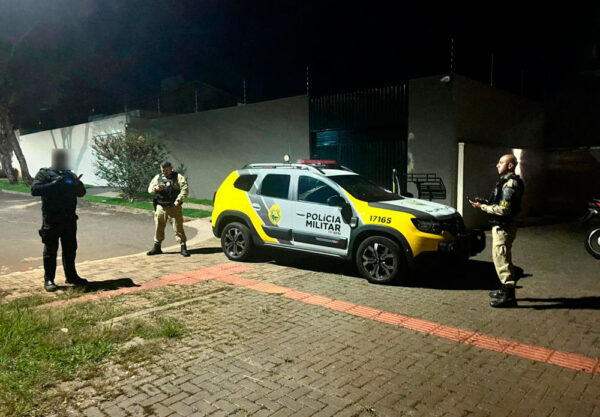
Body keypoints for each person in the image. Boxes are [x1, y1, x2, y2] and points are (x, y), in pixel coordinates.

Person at [470, 154, 524, 308]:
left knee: (502, 260)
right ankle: (503, 290)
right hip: (502, 227)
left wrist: (483, 207)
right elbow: (501, 203)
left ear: (510, 165)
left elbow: (504, 209)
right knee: (501, 258)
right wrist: (486, 202)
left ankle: (509, 297)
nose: (497, 165)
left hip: (504, 227)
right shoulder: (505, 182)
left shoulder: (510, 184)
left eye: (501, 162)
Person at [31, 149, 88, 292]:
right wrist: (54, 184)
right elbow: (34, 190)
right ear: (54, 159)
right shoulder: (44, 174)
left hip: (69, 219)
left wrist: (77, 184)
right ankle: (49, 279)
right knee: (50, 250)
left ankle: (71, 276)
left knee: (70, 249)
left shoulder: (70, 175)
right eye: (60, 158)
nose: (62, 161)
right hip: (52, 219)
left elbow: (82, 193)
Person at [146, 161, 190, 257]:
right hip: (161, 206)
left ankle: (183, 247)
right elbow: (150, 190)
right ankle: (157, 247)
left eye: (166, 170)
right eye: (163, 170)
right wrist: (156, 188)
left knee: (178, 227)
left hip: (174, 207)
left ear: (171, 168)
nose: (165, 172)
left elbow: (185, 189)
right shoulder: (158, 177)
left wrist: (179, 200)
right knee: (159, 226)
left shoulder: (178, 177)